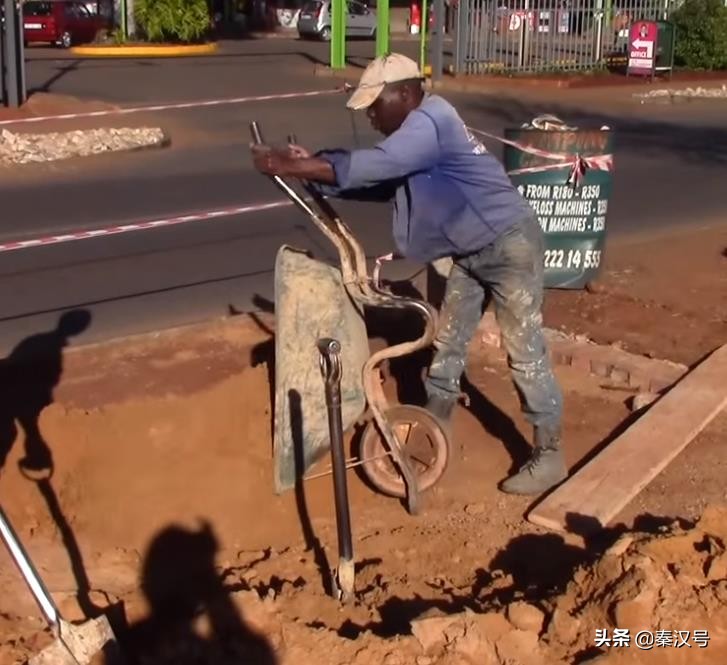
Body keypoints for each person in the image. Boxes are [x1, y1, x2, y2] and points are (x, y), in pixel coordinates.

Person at [251, 53, 566, 496]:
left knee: (524, 350)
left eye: (375, 106)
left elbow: (378, 165)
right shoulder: (415, 133)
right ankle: (432, 423)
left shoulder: (430, 122)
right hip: (470, 251)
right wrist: (315, 167)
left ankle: (549, 455)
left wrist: (295, 166)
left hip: (510, 247)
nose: (373, 118)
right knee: (448, 340)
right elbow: (379, 181)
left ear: (403, 93)